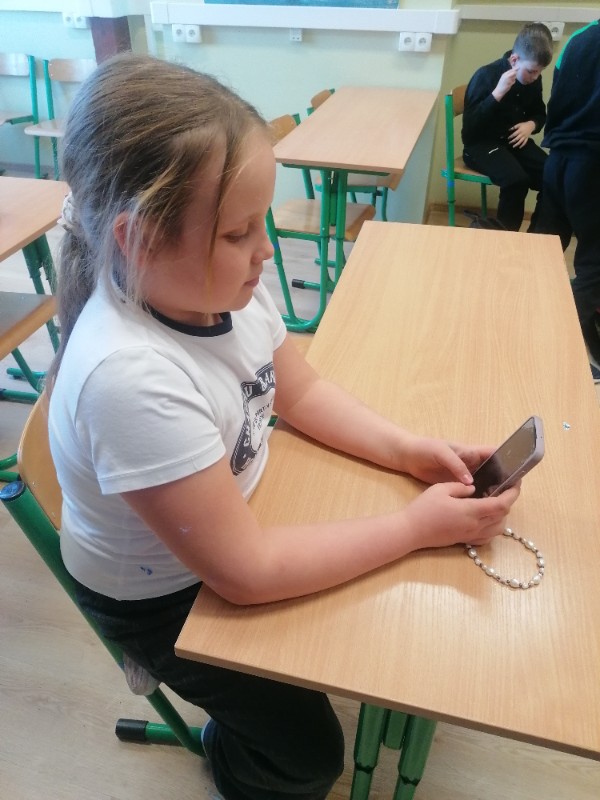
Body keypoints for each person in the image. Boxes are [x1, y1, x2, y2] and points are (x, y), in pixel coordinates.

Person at [47, 53, 520, 800]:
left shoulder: (220, 287)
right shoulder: (128, 378)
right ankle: (229, 756)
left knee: (383, 638)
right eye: (238, 232)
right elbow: (245, 573)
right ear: (138, 241)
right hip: (164, 595)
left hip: (235, 519)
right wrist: (412, 528)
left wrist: (405, 449)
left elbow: (302, 391)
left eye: (260, 221)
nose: (265, 249)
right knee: (307, 756)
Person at [530, 20, 600, 377]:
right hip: (592, 164)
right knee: (595, 267)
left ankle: (518, 327)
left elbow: (556, 97)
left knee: (540, 255)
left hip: (557, 160)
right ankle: (552, 353)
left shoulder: (580, 37)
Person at [461, 22, 553, 231]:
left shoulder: (533, 79)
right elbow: (470, 131)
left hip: (512, 141)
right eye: (531, 71)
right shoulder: (486, 76)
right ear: (514, 60)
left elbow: (539, 113)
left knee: (552, 175)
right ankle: (506, 238)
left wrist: (531, 124)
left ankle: (536, 236)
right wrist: (497, 94)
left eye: (540, 72)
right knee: (516, 181)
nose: (535, 77)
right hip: (480, 145)